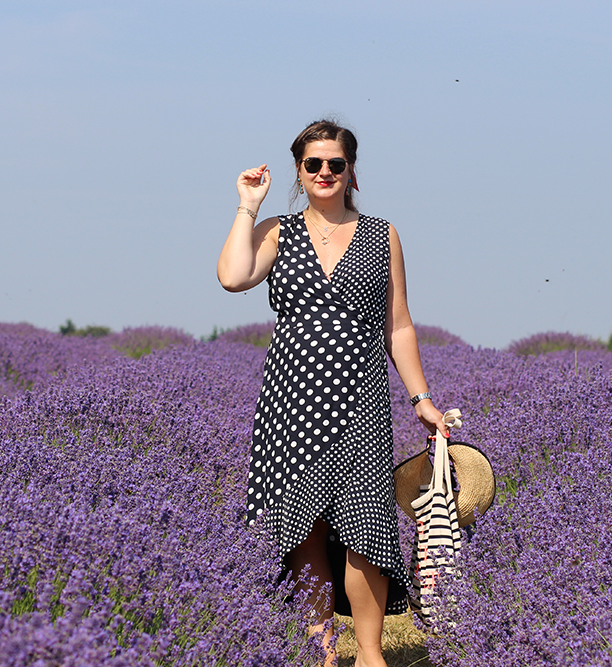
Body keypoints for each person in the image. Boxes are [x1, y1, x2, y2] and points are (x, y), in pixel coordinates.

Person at [217, 119, 447, 667]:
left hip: (359, 399)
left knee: (366, 525)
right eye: (313, 164)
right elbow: (231, 276)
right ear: (299, 171)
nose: (324, 173)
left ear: (351, 172)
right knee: (303, 529)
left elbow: (399, 326)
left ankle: (370, 656)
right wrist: (248, 205)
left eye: (335, 164)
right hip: (289, 402)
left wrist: (421, 399)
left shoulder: (380, 234)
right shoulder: (277, 230)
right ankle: (321, 656)